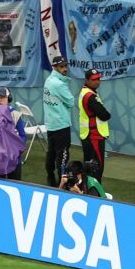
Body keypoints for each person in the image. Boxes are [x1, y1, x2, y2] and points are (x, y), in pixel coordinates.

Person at [40, 57, 76, 186]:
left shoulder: (49, 81)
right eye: (61, 66)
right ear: (55, 67)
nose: (65, 69)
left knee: (52, 152)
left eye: (65, 66)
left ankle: (51, 178)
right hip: (61, 124)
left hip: (51, 124)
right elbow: (71, 102)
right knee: (63, 154)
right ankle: (62, 181)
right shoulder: (59, 84)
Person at [76, 70, 111, 185]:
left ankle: (88, 191)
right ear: (87, 80)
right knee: (96, 168)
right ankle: (95, 194)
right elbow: (105, 115)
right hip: (94, 136)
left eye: (98, 79)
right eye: (94, 79)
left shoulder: (86, 92)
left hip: (89, 135)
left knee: (90, 167)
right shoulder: (90, 96)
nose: (97, 82)